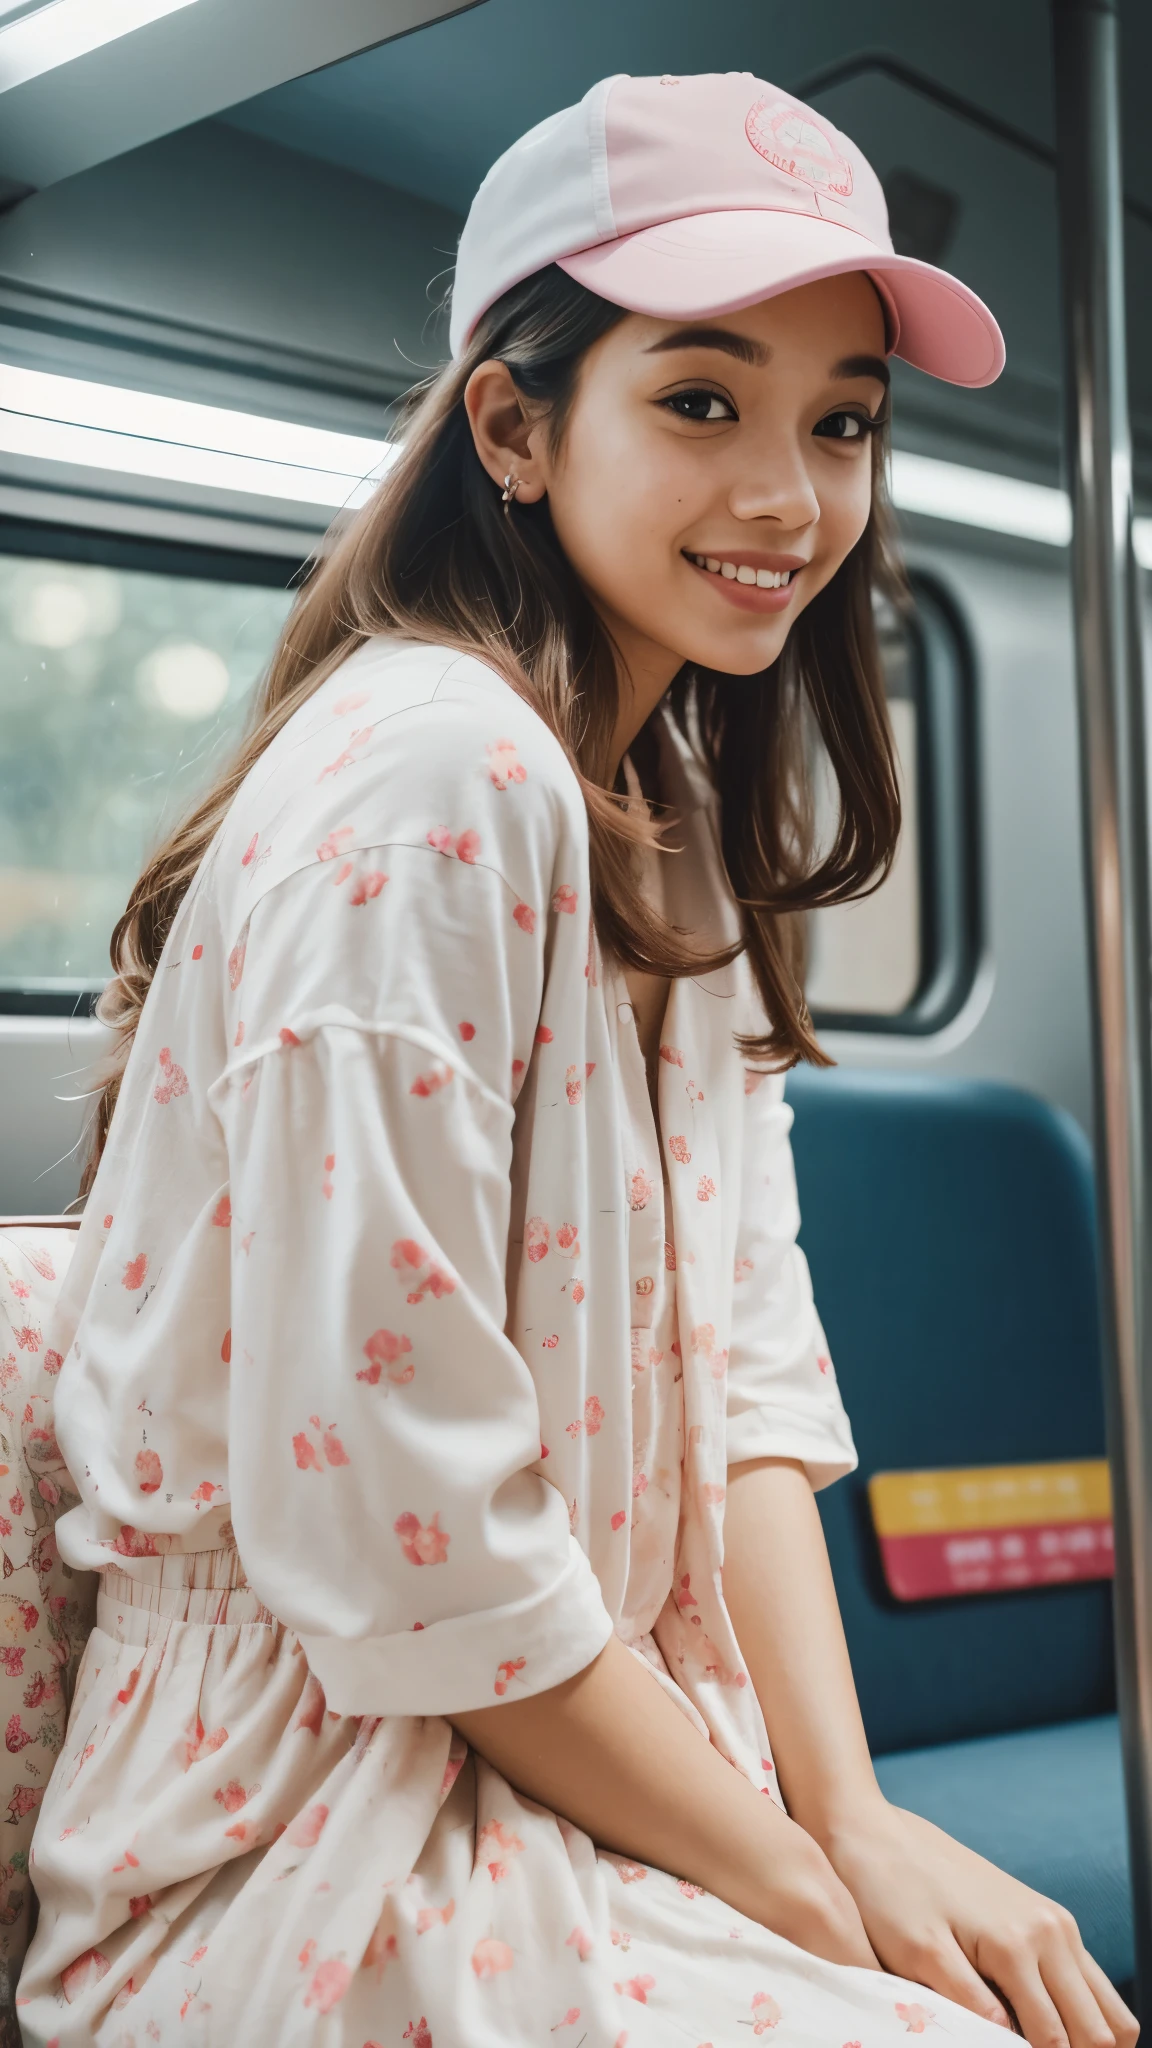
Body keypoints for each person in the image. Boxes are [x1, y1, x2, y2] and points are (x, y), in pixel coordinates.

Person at [16, 70, 1135, 2048]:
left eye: (843, 420)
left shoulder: (660, 816)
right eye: (702, 398)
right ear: (515, 428)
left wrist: (856, 1813)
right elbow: (406, 1539)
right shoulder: (434, 776)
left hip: (587, 1750)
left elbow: (752, 1379)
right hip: (308, 1830)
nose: (793, 497)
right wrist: (810, 1887)